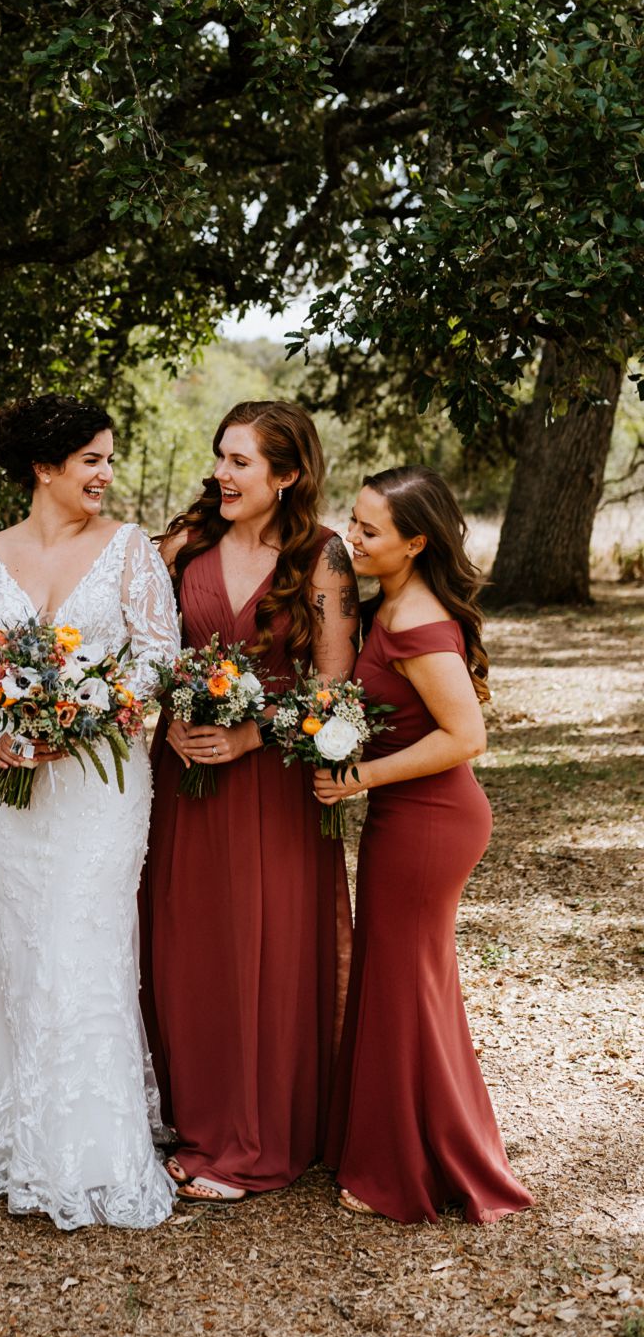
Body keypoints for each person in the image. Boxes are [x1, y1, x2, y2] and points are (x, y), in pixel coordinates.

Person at [0, 394, 181, 1230]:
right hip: (10, 786)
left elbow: (156, 656)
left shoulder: (132, 550)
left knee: (82, 938)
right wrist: (0, 731)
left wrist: (93, 717)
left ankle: (88, 1151)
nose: (107, 474)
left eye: (109, 459)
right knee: (13, 941)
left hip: (102, 785)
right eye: (92, 460)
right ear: (44, 468)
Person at [140, 401, 357, 1205]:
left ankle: (258, 1136)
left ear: (288, 474)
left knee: (264, 947)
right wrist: (167, 719)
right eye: (220, 457)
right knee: (188, 942)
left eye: (242, 462)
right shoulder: (184, 547)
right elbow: (146, 653)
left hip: (270, 785)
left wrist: (252, 735)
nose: (223, 474)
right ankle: (201, 1119)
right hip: (186, 780)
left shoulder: (324, 559)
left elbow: (331, 686)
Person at [317, 466, 532, 1224]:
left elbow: (466, 734)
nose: (353, 536)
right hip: (407, 815)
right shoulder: (393, 605)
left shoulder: (416, 622)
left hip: (432, 819)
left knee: (408, 985)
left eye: (370, 530)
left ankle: (405, 1170)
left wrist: (362, 773)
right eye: (353, 518)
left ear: (416, 541)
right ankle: (392, 1143)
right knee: (401, 978)